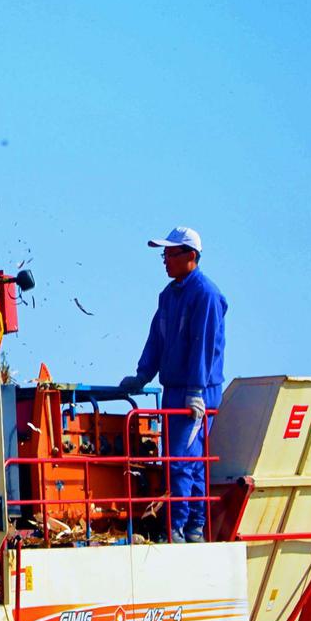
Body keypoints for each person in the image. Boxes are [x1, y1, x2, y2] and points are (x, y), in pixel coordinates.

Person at [120, 226, 227, 542]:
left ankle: (181, 527)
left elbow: (203, 345)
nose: (165, 260)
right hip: (174, 389)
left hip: (199, 391)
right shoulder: (168, 296)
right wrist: (142, 375)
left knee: (181, 460)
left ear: (190, 256)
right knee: (185, 460)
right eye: (163, 254)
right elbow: (157, 339)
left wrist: (196, 390)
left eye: (170, 253)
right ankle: (191, 525)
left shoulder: (206, 295)